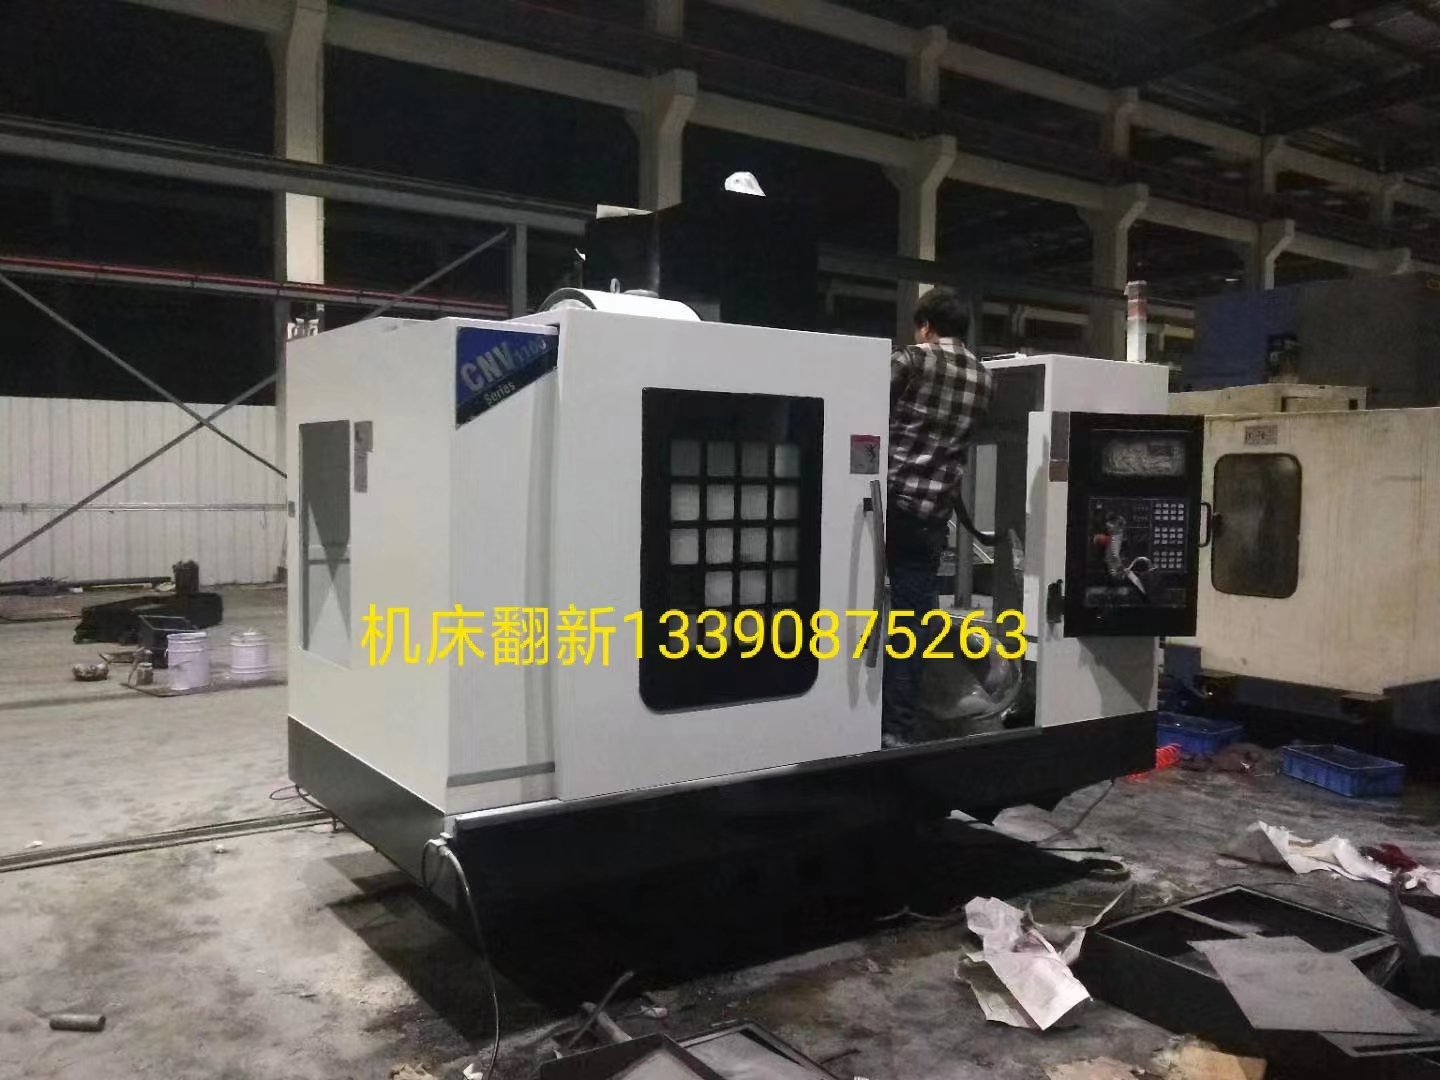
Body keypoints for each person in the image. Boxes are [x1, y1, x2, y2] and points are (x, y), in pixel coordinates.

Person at [884, 287, 994, 746]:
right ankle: (900, 726)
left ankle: (879, 722)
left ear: (926, 325)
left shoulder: (911, 360)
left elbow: (856, 408)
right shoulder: (984, 377)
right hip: (932, 514)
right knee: (912, 620)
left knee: (846, 604)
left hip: (888, 503)